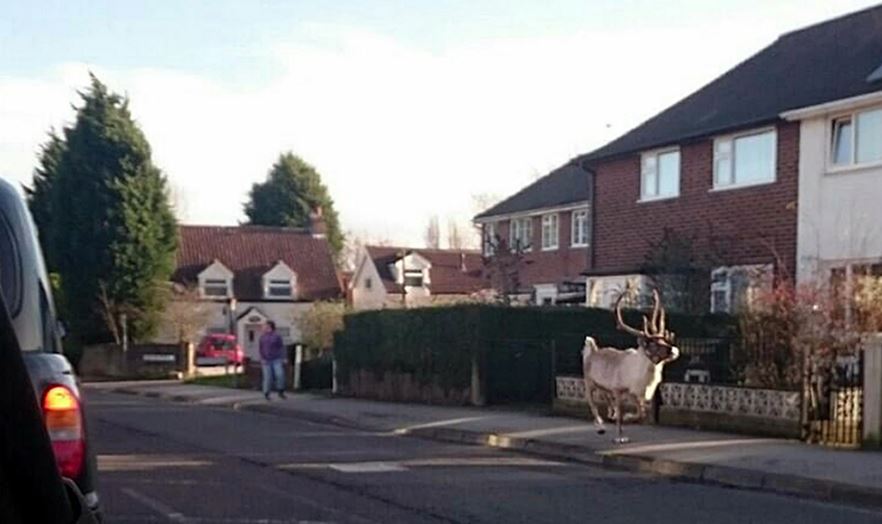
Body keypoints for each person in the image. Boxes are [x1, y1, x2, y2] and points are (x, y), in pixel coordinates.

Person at [258, 320, 286, 400]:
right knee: (268, 377)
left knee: (279, 375)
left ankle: (280, 390)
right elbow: (261, 348)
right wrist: (262, 358)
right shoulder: (262, 337)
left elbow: (281, 347)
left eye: (265, 326)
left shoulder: (276, 336)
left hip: (276, 358)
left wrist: (283, 357)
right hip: (266, 360)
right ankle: (266, 393)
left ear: (269, 327)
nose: (263, 327)